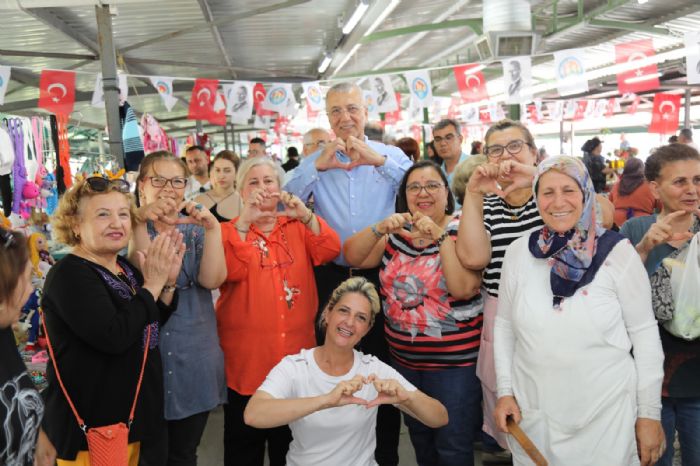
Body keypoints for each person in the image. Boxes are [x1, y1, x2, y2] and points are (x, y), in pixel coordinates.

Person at [457, 120, 615, 458]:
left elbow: (605, 216)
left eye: (515, 146)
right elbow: (473, 257)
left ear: (532, 152)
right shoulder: (485, 204)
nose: (505, 156)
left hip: (561, 309)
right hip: (503, 317)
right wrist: (473, 192)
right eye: (495, 150)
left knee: (562, 407)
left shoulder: (551, 194)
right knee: (514, 413)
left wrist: (537, 175)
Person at [493, 156, 665, 465]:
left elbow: (645, 335)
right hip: (536, 413)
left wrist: (649, 414)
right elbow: (504, 326)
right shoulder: (519, 252)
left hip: (607, 416)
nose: (558, 202)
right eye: (547, 192)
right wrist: (504, 391)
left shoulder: (617, 252)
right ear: (536, 198)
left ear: (586, 193)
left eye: (568, 190)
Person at [284, 81, 411, 466]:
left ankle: (384, 454)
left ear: (366, 113)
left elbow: (419, 186)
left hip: (382, 276)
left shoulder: (388, 156)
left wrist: (378, 161)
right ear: (327, 118)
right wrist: (316, 165)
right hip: (331, 277)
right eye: (336, 111)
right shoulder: (317, 162)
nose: (345, 118)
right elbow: (284, 195)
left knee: (381, 366)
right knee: (334, 364)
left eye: (352, 109)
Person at [344, 161, 483, 465]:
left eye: (432, 185)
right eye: (414, 187)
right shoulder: (397, 235)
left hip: (454, 367)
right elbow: (352, 255)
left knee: (453, 445)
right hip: (405, 362)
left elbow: (462, 288)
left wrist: (439, 236)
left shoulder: (462, 228)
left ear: (447, 193)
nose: (423, 193)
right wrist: (380, 227)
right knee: (421, 441)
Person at [42, 176, 185, 465]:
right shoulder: (70, 275)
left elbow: (147, 325)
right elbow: (114, 335)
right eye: (103, 214)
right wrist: (153, 285)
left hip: (137, 422)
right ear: (75, 225)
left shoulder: (122, 267)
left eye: (123, 214)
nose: (117, 223)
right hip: (95, 432)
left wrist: (167, 285)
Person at [243, 277, 448, 466]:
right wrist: (326, 400)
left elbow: (439, 418)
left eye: (360, 318)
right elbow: (254, 414)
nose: (349, 322)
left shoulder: (373, 370)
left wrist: (407, 398)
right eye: (343, 311)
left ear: (367, 329)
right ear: (327, 313)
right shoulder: (296, 366)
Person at [217, 157, 341, 466]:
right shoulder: (227, 231)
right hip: (247, 363)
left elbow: (330, 250)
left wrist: (307, 216)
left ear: (280, 189)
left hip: (295, 362)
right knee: (244, 448)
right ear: (241, 191)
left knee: (291, 451)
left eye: (269, 181)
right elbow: (229, 272)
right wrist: (245, 222)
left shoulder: (296, 226)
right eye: (253, 182)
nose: (262, 189)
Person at [132, 151, 227, 466]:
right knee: (149, 455)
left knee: (184, 453)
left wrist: (213, 230)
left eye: (176, 181)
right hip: (146, 360)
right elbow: (142, 275)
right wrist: (139, 219)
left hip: (195, 353)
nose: (168, 189)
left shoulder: (198, 228)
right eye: (158, 180)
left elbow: (212, 280)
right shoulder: (128, 228)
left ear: (186, 186)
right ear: (142, 185)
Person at [619, 144, 700, 466]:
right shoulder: (634, 231)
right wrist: (644, 248)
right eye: (680, 182)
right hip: (650, 382)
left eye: (698, 180)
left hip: (697, 378)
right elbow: (615, 295)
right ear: (654, 187)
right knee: (653, 459)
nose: (692, 189)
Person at [0, 227, 56, 466]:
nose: (32, 290)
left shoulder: (4, 334)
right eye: (26, 280)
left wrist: (36, 434)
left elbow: (19, 384)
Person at [608, 157, 660, 228]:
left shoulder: (617, 185)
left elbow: (609, 205)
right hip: (643, 224)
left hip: (616, 223)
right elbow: (662, 206)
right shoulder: (649, 185)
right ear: (643, 169)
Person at [195, 150, 242, 223]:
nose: (221, 176)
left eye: (227, 171)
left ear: (237, 173)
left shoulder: (243, 201)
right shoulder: (200, 200)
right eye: (217, 170)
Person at [432, 119, 468, 188]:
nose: (442, 143)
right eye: (438, 139)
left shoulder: (475, 167)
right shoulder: (435, 173)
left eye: (448, 138)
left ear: (460, 139)